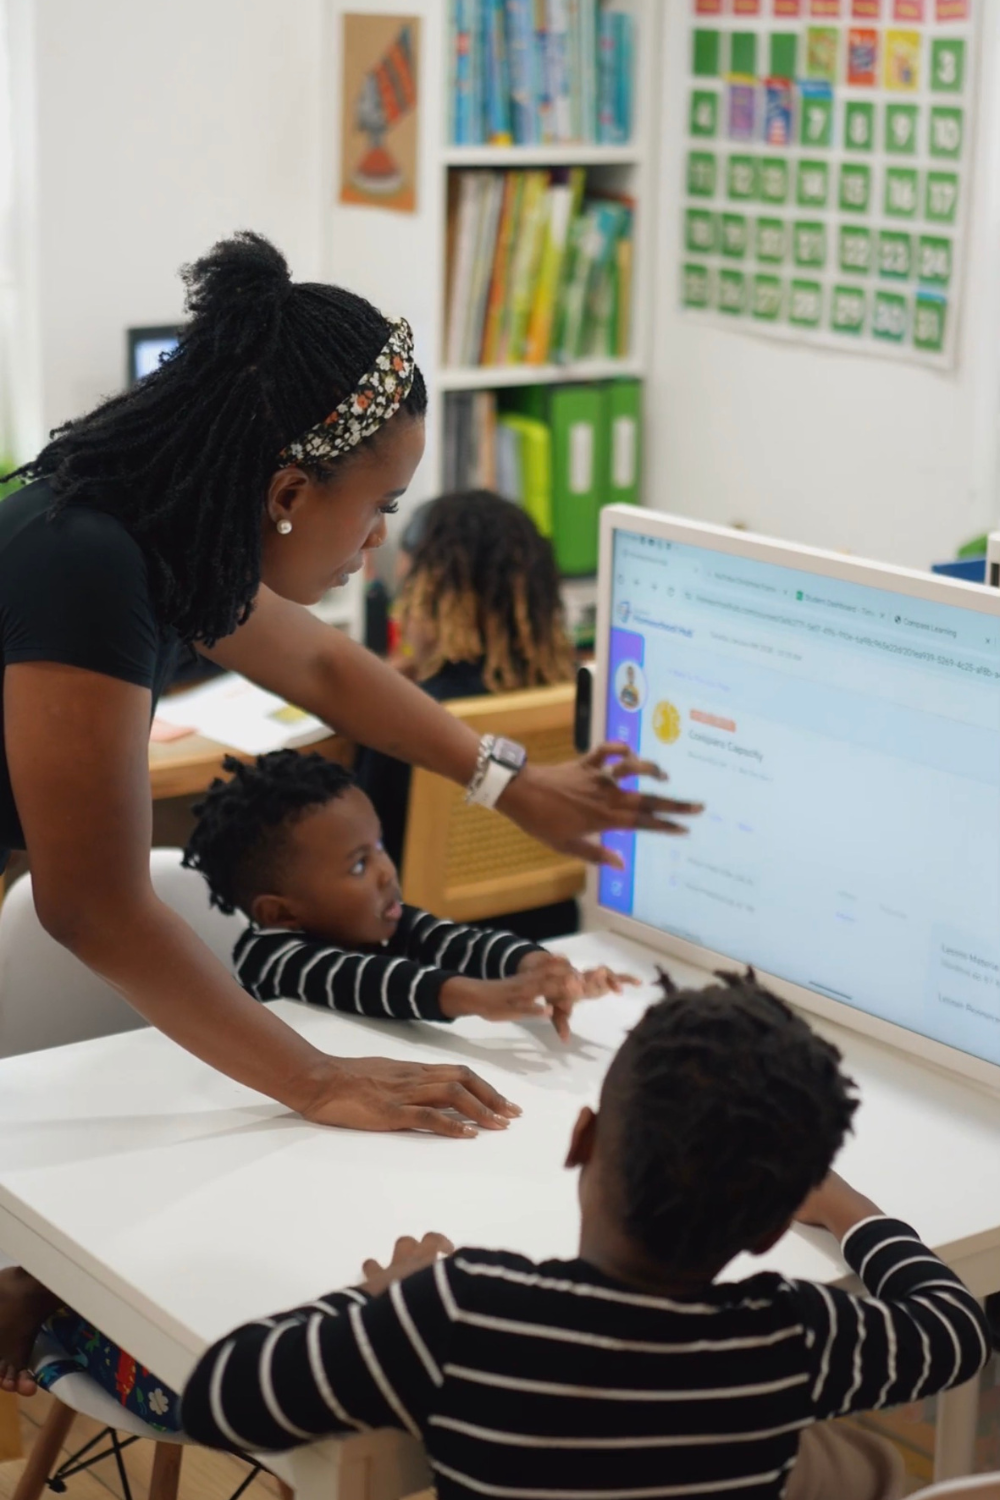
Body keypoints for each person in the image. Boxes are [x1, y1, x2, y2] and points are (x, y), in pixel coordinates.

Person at [0, 231, 703, 1390]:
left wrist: (514, 783)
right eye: (377, 503)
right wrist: (314, 1079)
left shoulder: (159, 519)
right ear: (286, 490)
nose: (381, 540)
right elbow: (94, 908)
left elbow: (322, 673)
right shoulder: (87, 561)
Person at [180, 971, 990, 1500]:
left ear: (583, 1143)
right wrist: (849, 1210)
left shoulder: (460, 1316)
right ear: (776, 1222)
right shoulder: (795, 1338)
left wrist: (375, 1301)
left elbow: (220, 1400)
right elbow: (957, 1332)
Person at [182, 750, 635, 1039]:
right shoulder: (268, 958)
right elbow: (367, 979)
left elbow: (461, 943)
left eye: (379, 848)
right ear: (280, 911)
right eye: (359, 864)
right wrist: (474, 995)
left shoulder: (385, 921)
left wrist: (544, 971)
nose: (385, 871)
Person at [354, 490, 578, 938]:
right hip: (550, 935)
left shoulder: (412, 715)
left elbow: (362, 841)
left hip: (428, 947)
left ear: (430, 589)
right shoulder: (573, 698)